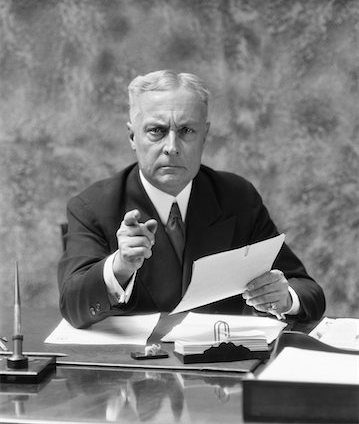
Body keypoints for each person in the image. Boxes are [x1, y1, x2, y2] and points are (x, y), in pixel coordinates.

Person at [58, 70, 325, 329]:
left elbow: (308, 290)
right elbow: (73, 306)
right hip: (136, 367)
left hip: (221, 364)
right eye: (156, 131)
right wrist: (119, 267)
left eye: (186, 131)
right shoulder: (92, 206)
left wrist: (285, 297)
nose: (172, 147)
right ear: (132, 136)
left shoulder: (237, 197)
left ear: (204, 135)